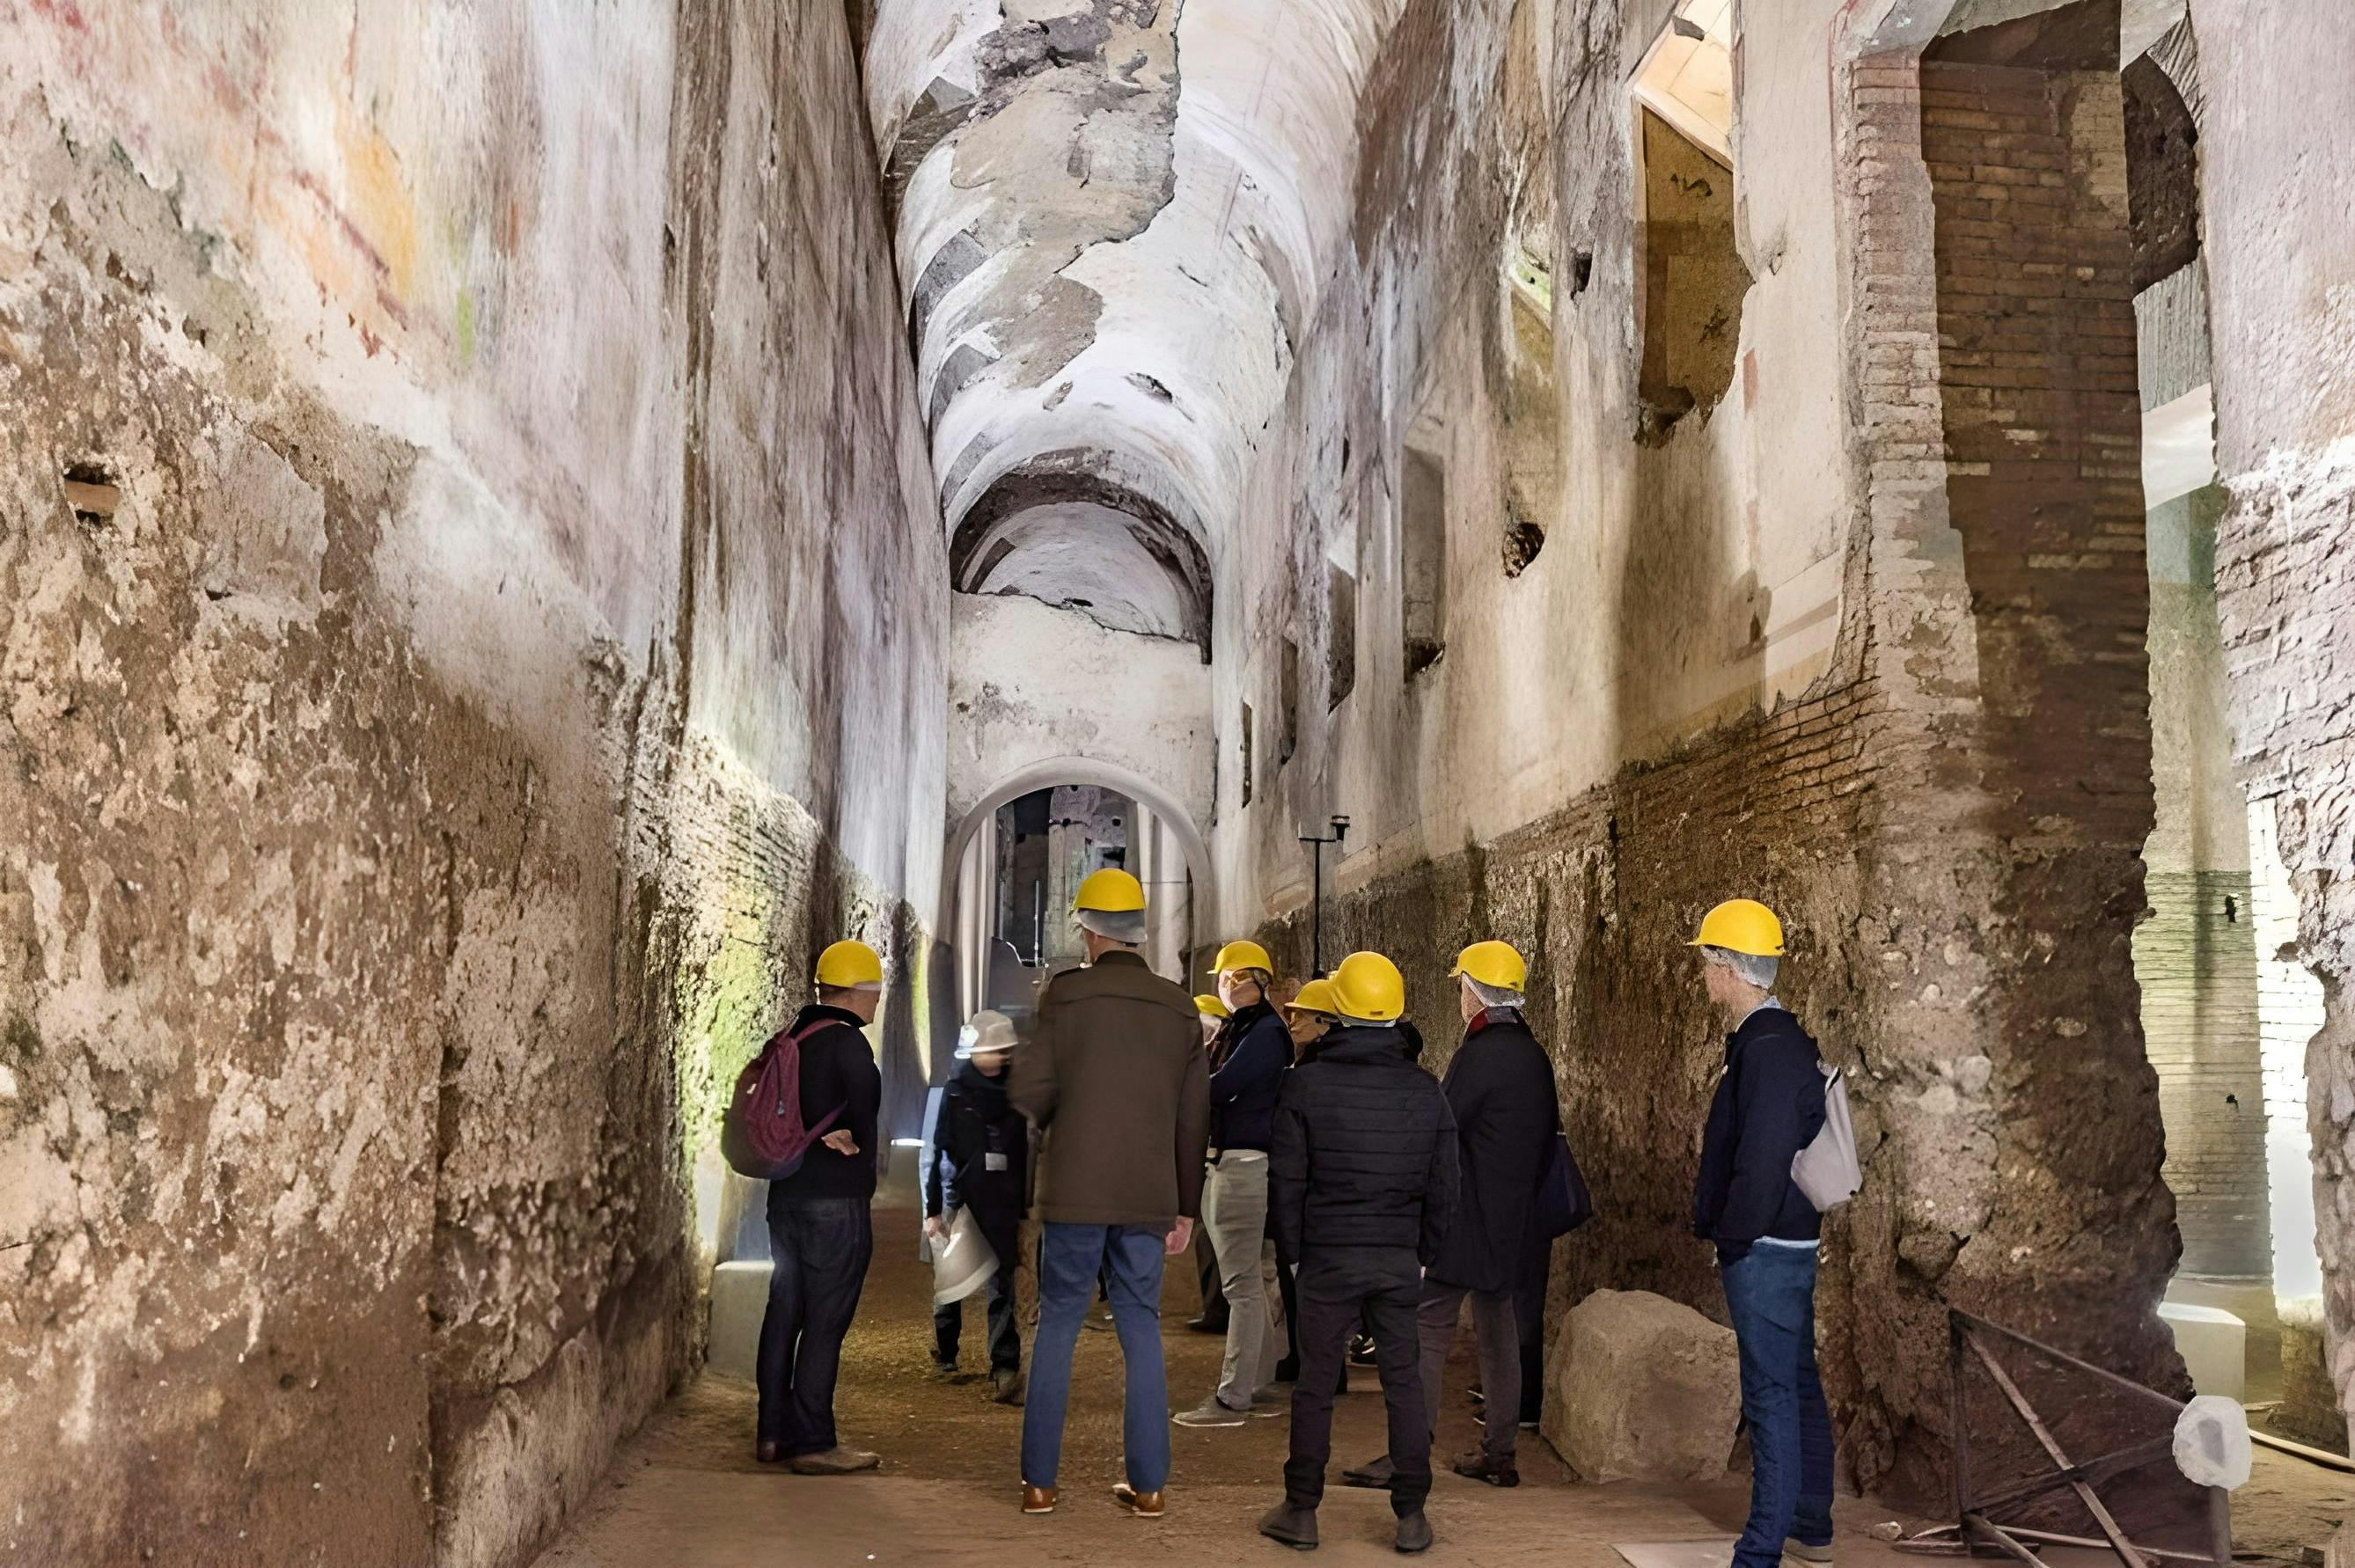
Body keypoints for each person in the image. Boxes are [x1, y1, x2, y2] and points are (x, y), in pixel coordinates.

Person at [1010, 868, 1210, 1520]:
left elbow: (1029, 1094)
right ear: (1138, 934)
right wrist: (1185, 1204)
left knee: (1060, 1323)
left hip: (1075, 1191)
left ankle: (1040, 1484)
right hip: (1149, 1193)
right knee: (1141, 1326)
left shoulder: (1064, 999)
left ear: (1090, 930)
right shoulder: (1180, 1008)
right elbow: (1192, 1117)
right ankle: (1149, 1486)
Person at [1258, 952, 1459, 1556]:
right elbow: (1445, 1183)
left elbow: (1286, 1178)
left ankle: (1300, 1509)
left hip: (1327, 1257)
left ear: (1338, 1010)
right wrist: (1423, 1251)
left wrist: (1293, 1254)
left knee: (1316, 1385)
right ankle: (1411, 1514)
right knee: (1403, 1384)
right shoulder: (1426, 1091)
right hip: (1397, 1258)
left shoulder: (1306, 1085)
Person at [1347, 941, 1558, 1493]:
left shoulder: (1478, 1054)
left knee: (1428, 1328)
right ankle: (1501, 1454)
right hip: (1514, 1223)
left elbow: (1441, 1127)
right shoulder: (1535, 1056)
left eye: (1462, 987)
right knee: (1499, 1335)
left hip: (1465, 1221)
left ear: (1475, 993)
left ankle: (1407, 1455)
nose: (1460, 998)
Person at [1689, 899, 1834, 1568]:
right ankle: (1810, 1526)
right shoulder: (1773, 1040)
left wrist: (1735, 1235)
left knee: (1771, 1393)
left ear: (1728, 968)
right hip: (1786, 1240)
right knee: (1796, 1381)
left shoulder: (1768, 1049)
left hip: (1767, 1247)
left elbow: (1764, 1156)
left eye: (1707, 961)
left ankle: (1760, 1553)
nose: (1703, 977)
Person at [755, 939, 886, 1475]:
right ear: (856, 992)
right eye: (874, 993)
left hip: (785, 1198)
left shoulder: (792, 1037)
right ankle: (813, 1441)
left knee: (784, 1310)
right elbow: (865, 1112)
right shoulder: (849, 1046)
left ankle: (772, 1433)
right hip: (835, 1206)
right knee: (826, 1319)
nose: (876, 1003)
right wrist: (849, 1137)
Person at [1177, 940, 1295, 1428]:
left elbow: (1219, 1089)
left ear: (1261, 984)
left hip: (1243, 1166)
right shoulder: (1242, 1029)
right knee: (1256, 1276)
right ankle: (1259, 1380)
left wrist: (1185, 1081)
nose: (1227, 986)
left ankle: (1233, 1397)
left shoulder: (1264, 1033)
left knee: (1241, 1285)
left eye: (1237, 978)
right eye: (1224, 979)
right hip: (1239, 1162)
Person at [926, 1008, 1030, 1404]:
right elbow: (938, 1151)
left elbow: (1025, 1151)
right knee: (951, 1278)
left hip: (1002, 1198)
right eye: (990, 1050)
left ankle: (1004, 1366)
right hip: (962, 1195)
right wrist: (934, 1209)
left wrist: (1025, 1203)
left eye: (1001, 1051)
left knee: (1002, 1283)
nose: (996, 1058)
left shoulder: (1018, 1095)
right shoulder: (954, 1093)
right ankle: (946, 1348)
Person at [1188, 995, 1233, 1337]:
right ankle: (1214, 1306)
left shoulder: (1218, 1056)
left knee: (1212, 1235)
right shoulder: (1219, 1053)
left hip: (1215, 1156)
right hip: (1210, 1154)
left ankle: (1218, 1309)